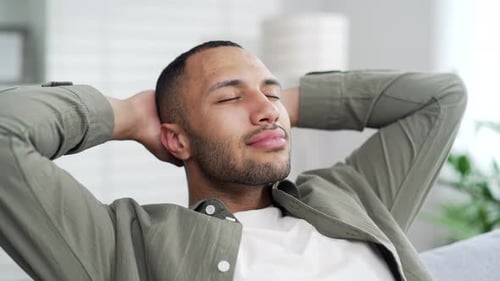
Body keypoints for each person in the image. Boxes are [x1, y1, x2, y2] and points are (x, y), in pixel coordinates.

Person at [0, 40, 466, 281]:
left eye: (271, 92)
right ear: (175, 140)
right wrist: (125, 114)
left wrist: (279, 106)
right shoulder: (126, 247)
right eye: (227, 98)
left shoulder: (352, 198)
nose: (265, 109)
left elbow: (441, 97)